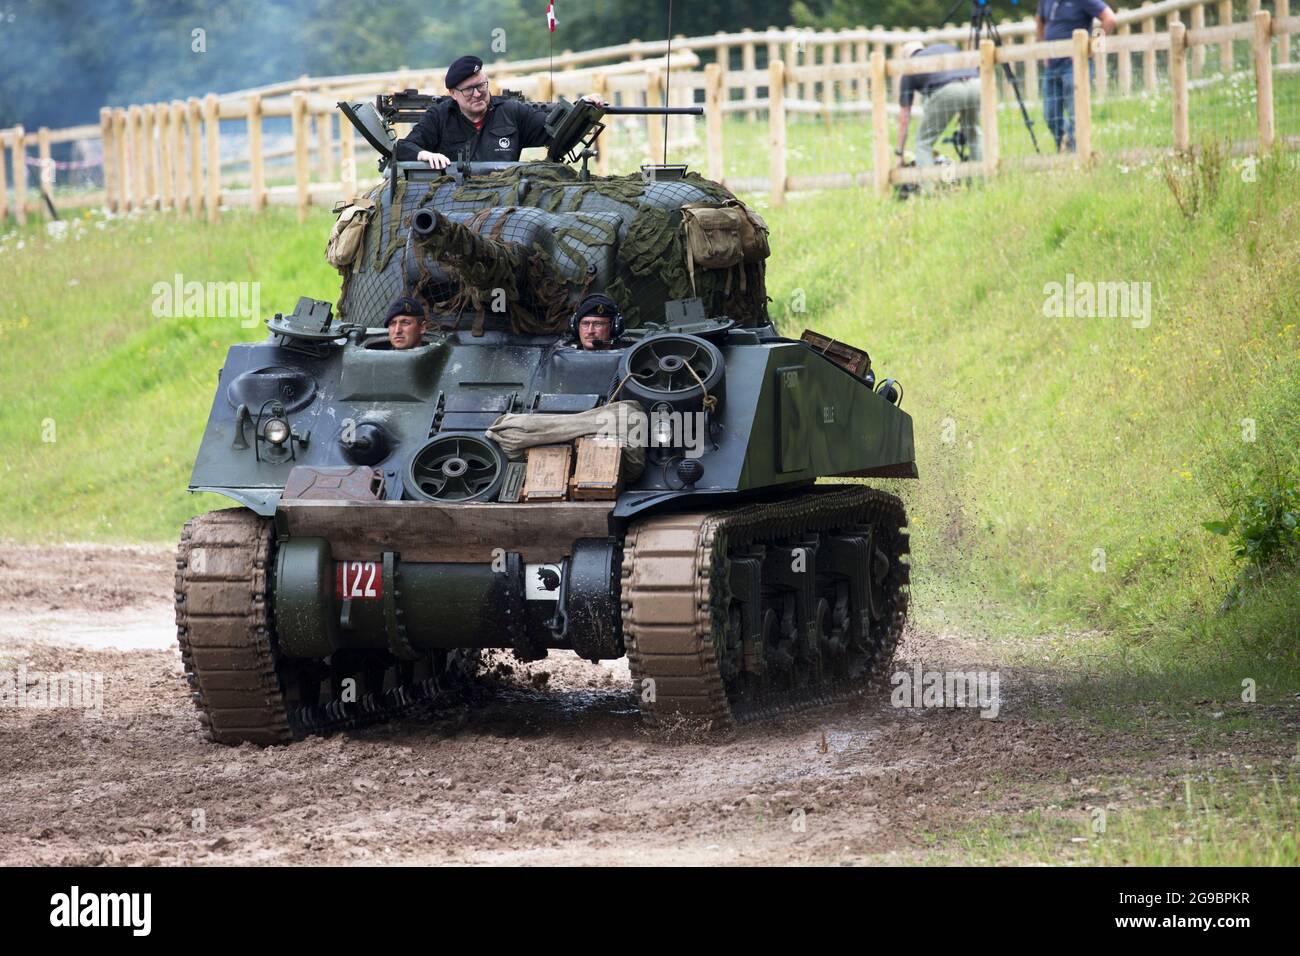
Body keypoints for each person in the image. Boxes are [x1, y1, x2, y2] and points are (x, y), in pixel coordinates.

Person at [395, 55, 604, 169]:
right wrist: (425, 155)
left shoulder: (511, 112)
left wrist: (582, 107)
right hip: (453, 202)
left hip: (505, 202)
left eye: (482, 86)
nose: (477, 94)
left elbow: (555, 129)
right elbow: (403, 147)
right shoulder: (439, 117)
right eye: (469, 90)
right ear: (453, 94)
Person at [894, 41, 982, 182]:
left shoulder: (910, 66)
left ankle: (929, 191)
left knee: (923, 143)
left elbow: (904, 117)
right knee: (974, 135)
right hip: (976, 84)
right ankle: (982, 183)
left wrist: (899, 152)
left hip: (949, 90)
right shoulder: (947, 47)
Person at [1036, 0, 1118, 151]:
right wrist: (1042, 51)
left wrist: (1092, 49)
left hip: (1074, 67)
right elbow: (1040, 22)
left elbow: (1110, 19)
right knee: (1050, 115)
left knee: (1077, 114)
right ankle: (1065, 147)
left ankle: (1075, 153)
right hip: (1051, 66)